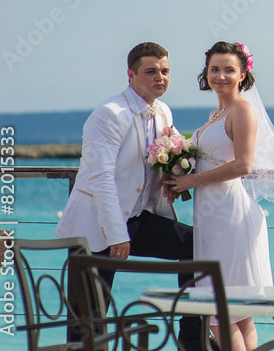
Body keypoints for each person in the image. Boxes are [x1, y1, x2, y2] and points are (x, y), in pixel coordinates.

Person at [55, 42, 210, 350]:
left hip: (139, 220)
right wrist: (116, 234)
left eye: (165, 71)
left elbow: (170, 154)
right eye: (151, 71)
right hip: (96, 227)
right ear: (131, 75)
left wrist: (178, 173)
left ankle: (193, 340)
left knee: (197, 245)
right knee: (88, 322)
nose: (160, 78)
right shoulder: (108, 115)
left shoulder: (162, 111)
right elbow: (101, 179)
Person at [167, 41, 274, 351]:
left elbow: (243, 165)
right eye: (214, 69)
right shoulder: (217, 112)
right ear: (207, 73)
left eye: (229, 70)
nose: (221, 76)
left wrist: (194, 179)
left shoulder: (242, 110)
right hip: (212, 217)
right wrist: (178, 173)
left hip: (229, 218)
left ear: (243, 74)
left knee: (218, 312)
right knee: (239, 316)